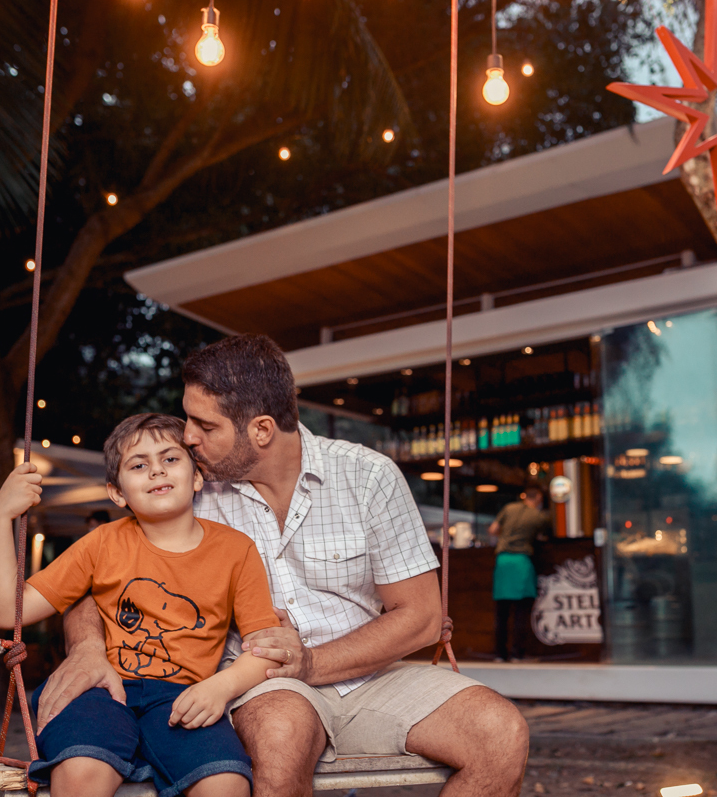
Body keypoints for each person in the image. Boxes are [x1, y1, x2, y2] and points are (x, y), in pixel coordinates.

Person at [36, 334, 530, 797]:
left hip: (374, 676)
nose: (186, 438)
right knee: (280, 734)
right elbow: (91, 579)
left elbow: (421, 616)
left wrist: (311, 662)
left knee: (500, 733)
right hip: (255, 682)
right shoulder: (188, 491)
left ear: (262, 430)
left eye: (204, 426)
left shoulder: (367, 476)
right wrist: (86, 648)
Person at [0, 413, 282, 797]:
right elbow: (7, 612)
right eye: (139, 465)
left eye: (170, 459)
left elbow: (264, 647)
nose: (156, 471)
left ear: (197, 477)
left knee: (225, 783)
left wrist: (222, 687)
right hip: (103, 689)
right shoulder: (102, 543)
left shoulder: (236, 549)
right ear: (117, 493)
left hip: (184, 695)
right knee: (80, 769)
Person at [487, 487, 552, 662]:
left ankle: (499, 654)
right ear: (538, 498)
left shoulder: (509, 508)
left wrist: (507, 536)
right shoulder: (539, 517)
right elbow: (546, 537)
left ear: (524, 496)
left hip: (503, 561)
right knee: (521, 612)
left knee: (501, 612)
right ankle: (517, 653)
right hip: (522, 562)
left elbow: (493, 530)